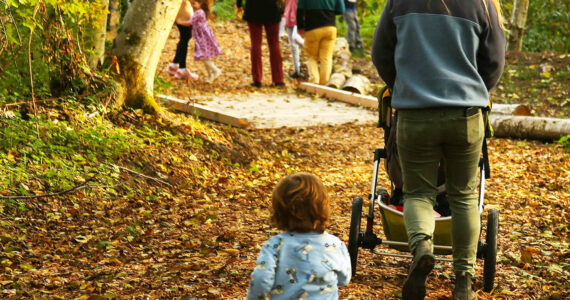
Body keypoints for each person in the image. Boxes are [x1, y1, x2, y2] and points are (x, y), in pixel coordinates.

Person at [371, 0, 505, 299]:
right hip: (466, 114)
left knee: (418, 193)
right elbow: (494, 62)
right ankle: (463, 281)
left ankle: (421, 248)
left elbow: (381, 53)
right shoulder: (482, 4)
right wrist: (475, 89)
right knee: (464, 196)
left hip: (415, 114)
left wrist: (404, 86)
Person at [247, 172, 351, 299]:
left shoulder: (275, 245)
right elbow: (344, 278)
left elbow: (261, 278)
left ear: (280, 211)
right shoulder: (334, 244)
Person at [236, 0, 285, 88]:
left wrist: (239, 6)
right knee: (274, 44)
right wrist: (282, 9)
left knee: (255, 44)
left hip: (253, 8)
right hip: (273, 8)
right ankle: (278, 79)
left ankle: (257, 79)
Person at [297, 0, 345, 85]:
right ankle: (324, 84)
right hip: (330, 27)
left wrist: (300, 26)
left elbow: (300, 10)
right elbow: (340, 10)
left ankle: (314, 81)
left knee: (311, 57)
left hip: (312, 28)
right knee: (326, 57)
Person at [189, 0, 222, 83]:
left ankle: (216, 70)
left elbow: (190, 22)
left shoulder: (199, 12)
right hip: (201, 37)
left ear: (200, 4)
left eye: (194, 4)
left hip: (203, 38)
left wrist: (179, 21)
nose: (192, 6)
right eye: (191, 4)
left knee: (204, 57)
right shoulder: (199, 11)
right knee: (205, 57)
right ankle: (210, 76)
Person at [165, 0, 200, 80]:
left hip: (184, 18)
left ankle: (174, 65)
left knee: (184, 39)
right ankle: (182, 69)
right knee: (184, 41)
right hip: (183, 19)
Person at [284, 0, 304, 79]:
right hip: (289, 17)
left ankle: (311, 48)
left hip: (299, 18)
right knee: (293, 46)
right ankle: (297, 70)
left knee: (295, 37)